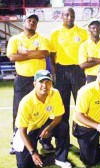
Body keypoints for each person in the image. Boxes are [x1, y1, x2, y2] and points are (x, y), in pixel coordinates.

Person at [7, 13, 52, 153]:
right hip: (22, 79)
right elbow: (12, 56)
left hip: (40, 80)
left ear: (37, 25)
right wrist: (33, 53)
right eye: (29, 20)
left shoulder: (42, 38)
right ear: (24, 22)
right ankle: (17, 142)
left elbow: (44, 54)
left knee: (45, 109)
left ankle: (45, 141)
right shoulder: (15, 39)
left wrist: (24, 53)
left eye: (34, 21)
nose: (32, 23)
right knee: (19, 110)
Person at [13, 70, 71, 168]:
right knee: (23, 166)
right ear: (34, 84)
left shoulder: (55, 93)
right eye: (41, 82)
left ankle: (60, 159)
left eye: (48, 82)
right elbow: (22, 131)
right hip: (28, 131)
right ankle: (32, 147)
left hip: (43, 124)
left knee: (63, 126)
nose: (44, 86)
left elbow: (58, 116)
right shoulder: (26, 102)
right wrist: (33, 152)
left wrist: (49, 128)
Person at [49, 7, 88, 135]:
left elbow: (87, 50)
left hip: (78, 70)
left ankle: (80, 131)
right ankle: (62, 134)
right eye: (66, 15)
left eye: (72, 15)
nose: (69, 18)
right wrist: (54, 73)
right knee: (63, 104)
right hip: (62, 71)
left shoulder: (82, 32)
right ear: (62, 16)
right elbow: (52, 55)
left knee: (81, 102)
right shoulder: (55, 33)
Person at [78, 19, 100, 83]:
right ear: (89, 29)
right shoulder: (84, 45)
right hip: (90, 76)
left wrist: (93, 59)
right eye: (93, 28)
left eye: (98, 27)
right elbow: (82, 65)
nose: (96, 30)